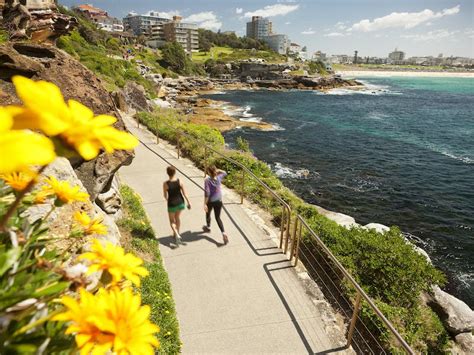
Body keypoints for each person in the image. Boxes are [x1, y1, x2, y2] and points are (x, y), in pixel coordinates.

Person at [163, 166, 191, 244]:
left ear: (167, 173)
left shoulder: (165, 184)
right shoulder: (180, 181)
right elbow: (184, 194)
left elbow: (165, 196)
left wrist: (168, 200)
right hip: (181, 203)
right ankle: (177, 233)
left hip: (172, 203)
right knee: (177, 217)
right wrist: (189, 202)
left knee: (172, 221)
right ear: (174, 172)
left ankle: (176, 233)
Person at [203, 166, 228, 244]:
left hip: (210, 201)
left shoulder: (207, 180)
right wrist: (218, 170)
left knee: (208, 213)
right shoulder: (219, 177)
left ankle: (208, 227)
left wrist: (205, 204)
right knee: (218, 218)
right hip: (219, 201)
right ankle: (223, 233)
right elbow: (224, 172)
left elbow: (207, 193)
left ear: (209, 173)